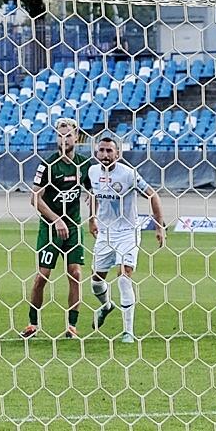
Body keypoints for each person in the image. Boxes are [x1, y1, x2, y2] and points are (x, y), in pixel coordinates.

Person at [86, 132, 166, 342]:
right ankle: (106, 306)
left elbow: (153, 195)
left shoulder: (129, 174)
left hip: (128, 232)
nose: (105, 155)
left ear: (118, 154)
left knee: (123, 276)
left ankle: (128, 331)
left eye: (109, 151)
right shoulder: (92, 171)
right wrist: (92, 219)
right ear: (96, 152)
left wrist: (159, 226)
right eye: (101, 150)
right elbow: (93, 194)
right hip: (105, 233)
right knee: (96, 282)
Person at [22, 118, 90, 339]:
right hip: (51, 228)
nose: (64, 139)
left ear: (76, 137)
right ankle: (33, 323)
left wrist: (93, 215)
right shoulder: (48, 165)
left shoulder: (84, 165)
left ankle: (72, 326)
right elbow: (35, 198)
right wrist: (56, 220)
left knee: (75, 273)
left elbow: (94, 190)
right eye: (60, 135)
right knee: (42, 276)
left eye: (68, 135)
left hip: (73, 227)